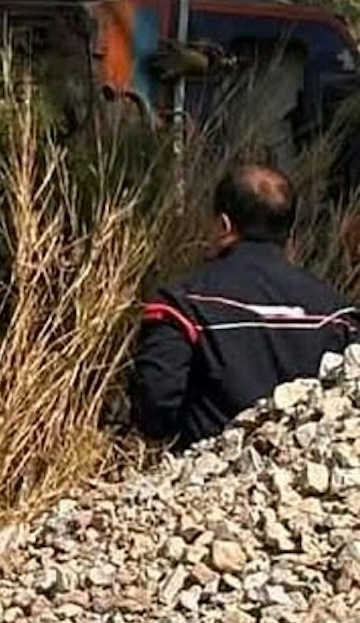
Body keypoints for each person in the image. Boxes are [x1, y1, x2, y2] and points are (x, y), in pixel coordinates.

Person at [130, 164, 359, 447]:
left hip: (212, 480)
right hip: (309, 481)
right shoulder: (337, 313)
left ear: (224, 225)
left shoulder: (183, 305)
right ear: (289, 232)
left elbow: (154, 411)